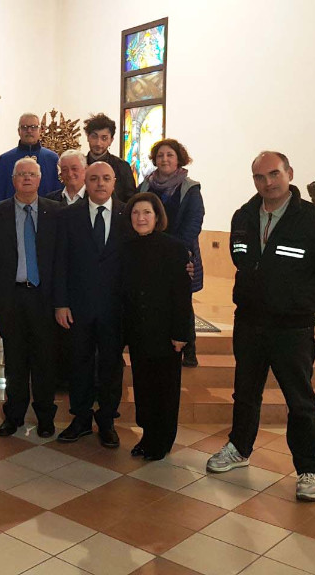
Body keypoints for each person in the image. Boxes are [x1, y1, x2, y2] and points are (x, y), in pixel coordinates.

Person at [206, 151, 315, 502]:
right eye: (259, 177)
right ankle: (239, 448)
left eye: (274, 174)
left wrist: (310, 304)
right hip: (250, 321)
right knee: (245, 392)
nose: (267, 182)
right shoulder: (243, 215)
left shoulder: (312, 219)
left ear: (289, 173)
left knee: (300, 400)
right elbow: (240, 258)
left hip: (292, 327)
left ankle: (309, 469)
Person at [0, 157, 61, 437]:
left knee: (45, 360)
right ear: (13, 180)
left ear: (40, 179)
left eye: (32, 174)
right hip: (10, 296)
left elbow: (62, 259)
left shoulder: (56, 211)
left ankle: (45, 416)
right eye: (21, 174)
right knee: (14, 360)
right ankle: (13, 415)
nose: (27, 178)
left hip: (44, 297)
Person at [54, 162, 128, 448]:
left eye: (106, 178)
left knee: (111, 364)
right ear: (86, 181)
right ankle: (81, 418)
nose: (100, 183)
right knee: (79, 362)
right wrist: (61, 303)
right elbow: (60, 261)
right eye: (94, 178)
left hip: (114, 307)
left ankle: (107, 419)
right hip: (78, 306)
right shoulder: (68, 215)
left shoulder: (127, 214)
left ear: (114, 182)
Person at [122, 192, 194, 460]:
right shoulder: (127, 248)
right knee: (144, 387)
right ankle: (148, 436)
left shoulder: (174, 248)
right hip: (139, 332)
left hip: (166, 333)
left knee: (165, 389)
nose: (141, 218)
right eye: (135, 213)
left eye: (146, 213)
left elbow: (182, 295)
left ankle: (162, 441)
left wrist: (181, 334)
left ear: (157, 217)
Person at [138, 138, 205, 367]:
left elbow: (194, 221)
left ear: (179, 159)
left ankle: (189, 348)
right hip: (149, 252)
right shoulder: (146, 185)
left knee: (181, 300)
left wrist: (176, 250)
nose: (164, 159)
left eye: (169, 155)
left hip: (180, 253)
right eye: (160, 155)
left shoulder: (190, 188)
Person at [0, 113, 60, 203]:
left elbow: (58, 192)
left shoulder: (52, 159)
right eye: (24, 127)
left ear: (40, 130)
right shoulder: (5, 160)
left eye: (33, 127)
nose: (29, 131)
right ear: (19, 131)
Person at [84, 113, 136, 203]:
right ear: (88, 137)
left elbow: (131, 201)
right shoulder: (79, 165)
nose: (98, 143)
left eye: (104, 138)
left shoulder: (122, 167)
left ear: (111, 140)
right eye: (94, 137)